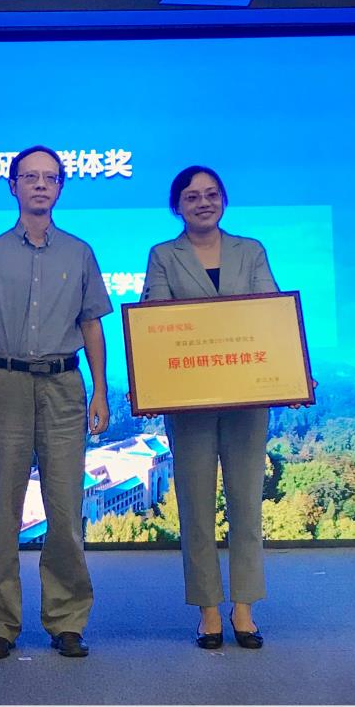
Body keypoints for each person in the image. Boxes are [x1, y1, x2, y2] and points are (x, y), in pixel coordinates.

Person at [0, 145, 111, 660]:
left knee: (65, 510)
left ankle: (67, 621)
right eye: (30, 177)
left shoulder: (80, 253)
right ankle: (0, 624)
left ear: (61, 187)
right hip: (3, 386)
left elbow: (92, 326)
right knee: (2, 511)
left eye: (50, 177)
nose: (41, 185)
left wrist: (100, 391)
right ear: (13, 186)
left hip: (64, 387)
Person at [141, 165, 279, 650]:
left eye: (212, 194)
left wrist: (290, 365)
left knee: (246, 503)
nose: (203, 202)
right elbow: (156, 321)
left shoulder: (251, 250)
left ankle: (244, 608)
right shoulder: (163, 255)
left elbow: (271, 314)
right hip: (189, 400)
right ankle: (208, 611)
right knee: (197, 508)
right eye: (192, 196)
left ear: (224, 200)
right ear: (177, 206)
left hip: (247, 396)